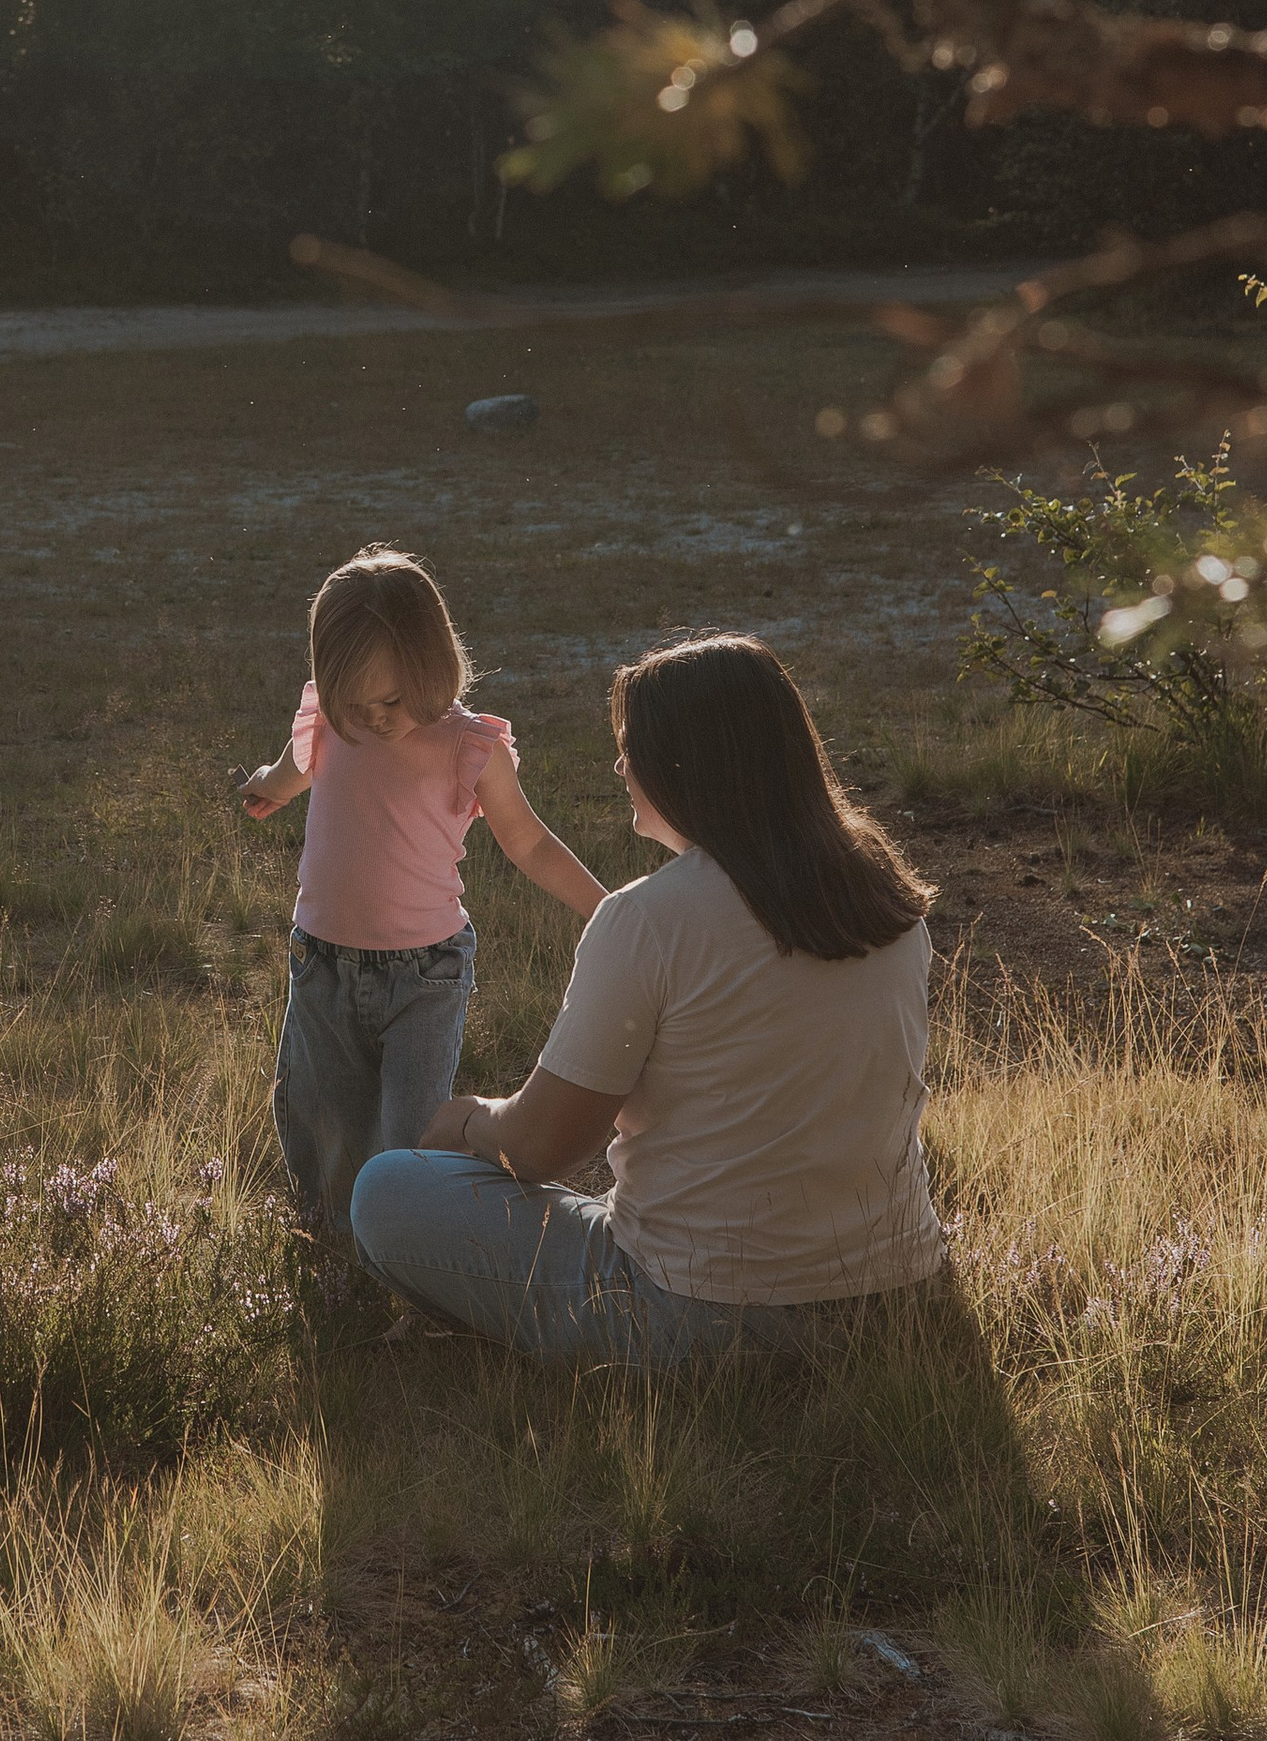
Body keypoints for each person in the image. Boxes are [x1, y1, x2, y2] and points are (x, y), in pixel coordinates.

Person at [346, 633, 943, 1366]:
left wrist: (467, 1123)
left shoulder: (647, 920)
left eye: (635, 747)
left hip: (699, 1314)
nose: (622, 765)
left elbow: (541, 1148)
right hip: (901, 1298)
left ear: (691, 768)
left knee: (386, 1190)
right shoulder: (886, 896)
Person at [237, 548, 605, 1239]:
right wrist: (268, 786)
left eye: (391, 701)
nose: (373, 719)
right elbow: (294, 767)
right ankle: (332, 1244)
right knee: (321, 1115)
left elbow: (528, 842)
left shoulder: (468, 746)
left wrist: (607, 909)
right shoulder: (326, 719)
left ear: (432, 669)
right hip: (321, 963)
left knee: (406, 1137)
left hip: (425, 975)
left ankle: (407, 1252)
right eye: (355, 704)